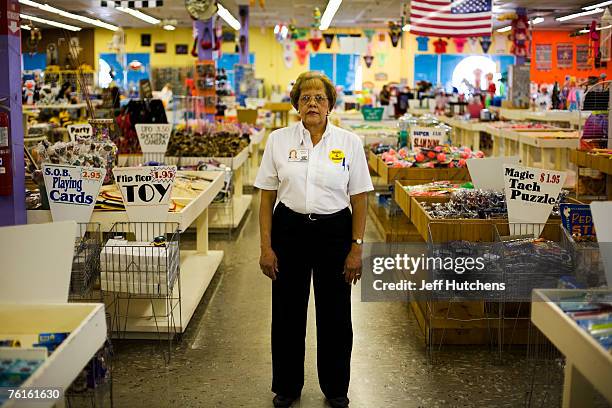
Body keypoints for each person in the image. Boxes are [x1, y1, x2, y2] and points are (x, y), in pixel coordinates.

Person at [255, 71, 373, 408]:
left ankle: (336, 388)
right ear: (296, 104)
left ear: (330, 104)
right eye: (305, 98)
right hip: (289, 230)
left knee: (335, 314)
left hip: (335, 232)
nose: (312, 104)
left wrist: (356, 247)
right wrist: (266, 247)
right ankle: (288, 387)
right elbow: (266, 196)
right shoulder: (279, 140)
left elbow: (360, 197)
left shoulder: (349, 143)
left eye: (319, 98)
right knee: (287, 312)